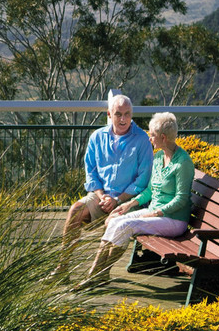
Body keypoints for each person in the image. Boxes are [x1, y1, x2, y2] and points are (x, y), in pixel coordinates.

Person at [83, 111, 194, 285]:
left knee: (126, 226)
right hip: (154, 213)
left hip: (173, 220)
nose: (150, 138)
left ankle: (96, 276)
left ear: (163, 138)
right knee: (114, 220)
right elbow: (150, 190)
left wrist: (156, 213)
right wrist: (127, 205)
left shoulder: (183, 163)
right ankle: (96, 274)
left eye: (153, 135)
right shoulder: (158, 158)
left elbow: (181, 199)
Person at [62, 93, 153, 245]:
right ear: (109, 114)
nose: (123, 119)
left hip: (128, 201)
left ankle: (100, 269)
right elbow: (90, 172)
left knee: (113, 224)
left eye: (127, 114)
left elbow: (143, 178)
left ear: (131, 114)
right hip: (100, 198)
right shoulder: (97, 137)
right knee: (75, 210)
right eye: (118, 114)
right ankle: (62, 265)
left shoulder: (142, 139)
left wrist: (117, 199)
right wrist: (102, 196)